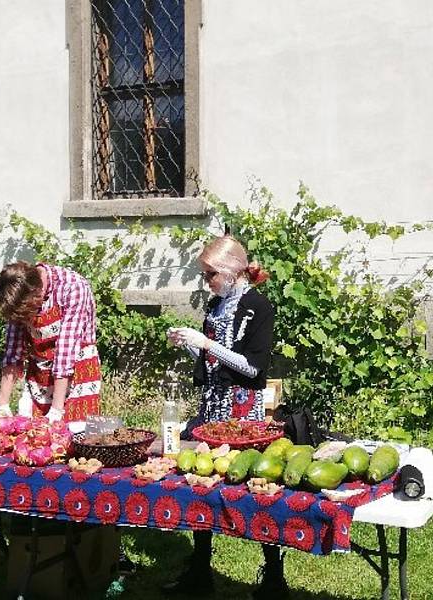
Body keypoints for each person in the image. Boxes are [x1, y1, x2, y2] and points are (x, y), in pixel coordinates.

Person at [163, 235, 288, 599]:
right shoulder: (214, 309)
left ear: (232, 271)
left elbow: (251, 367)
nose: (207, 283)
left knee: (254, 483)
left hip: (241, 411)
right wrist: (191, 347)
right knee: (202, 482)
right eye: (204, 276)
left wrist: (206, 344)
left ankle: (273, 575)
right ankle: (200, 568)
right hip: (212, 406)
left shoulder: (258, 307)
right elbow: (213, 364)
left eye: (210, 275)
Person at [0, 261, 101, 424]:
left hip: (78, 368)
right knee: (32, 436)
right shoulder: (19, 291)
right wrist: (2, 403)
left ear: (39, 292)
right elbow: (13, 349)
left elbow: (66, 350)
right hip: (40, 371)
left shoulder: (73, 287)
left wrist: (57, 410)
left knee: (75, 435)